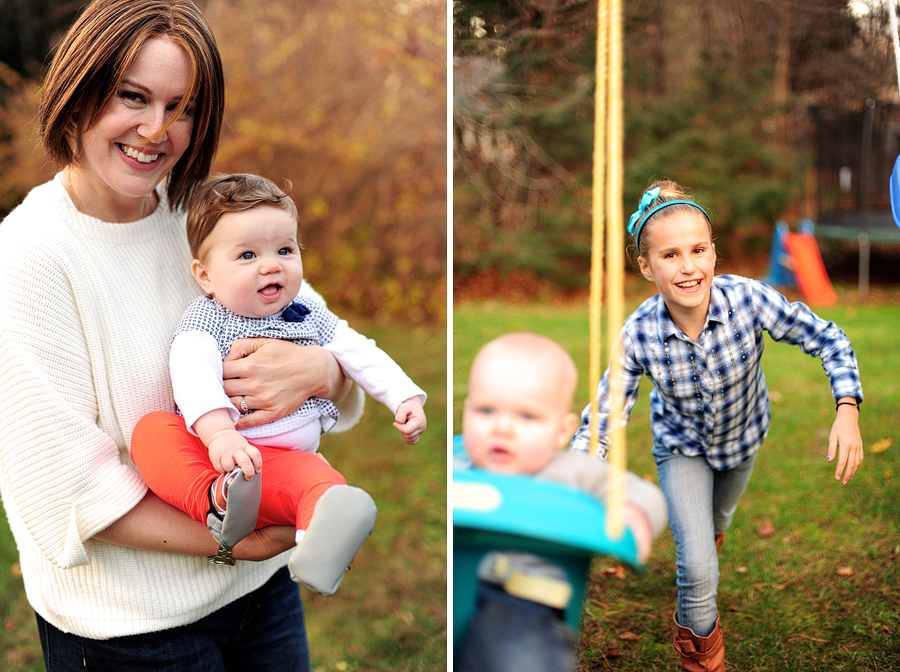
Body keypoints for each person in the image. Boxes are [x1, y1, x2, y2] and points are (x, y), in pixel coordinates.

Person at [0, 1, 368, 668]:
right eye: (132, 97)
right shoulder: (30, 255)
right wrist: (239, 542)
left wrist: (327, 375)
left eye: (183, 107)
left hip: (262, 596)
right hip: (131, 629)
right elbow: (65, 492)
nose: (156, 129)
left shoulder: (202, 215)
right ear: (79, 92)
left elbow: (326, 340)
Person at [570, 180, 864, 671]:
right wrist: (575, 477)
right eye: (670, 256)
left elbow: (828, 338)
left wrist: (848, 407)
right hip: (680, 448)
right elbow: (604, 416)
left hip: (743, 440)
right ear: (646, 266)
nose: (688, 267)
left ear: (713, 253)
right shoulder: (639, 332)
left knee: (717, 523)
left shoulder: (748, 300)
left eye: (698, 250)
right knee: (699, 568)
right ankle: (701, 656)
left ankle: (708, 534)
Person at [130, 173, 427, 596]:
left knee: (322, 487)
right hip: (222, 455)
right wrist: (219, 436)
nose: (272, 265)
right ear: (206, 275)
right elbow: (193, 376)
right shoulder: (207, 320)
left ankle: (317, 547)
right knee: (154, 433)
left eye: (285, 250)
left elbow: (358, 351)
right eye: (248, 255)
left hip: (286, 460)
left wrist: (403, 395)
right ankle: (216, 500)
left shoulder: (305, 311)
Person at [455, 333, 667, 672]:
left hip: (525, 605)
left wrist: (632, 514)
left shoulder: (573, 471)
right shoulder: (460, 462)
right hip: (457, 590)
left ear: (561, 431)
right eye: (486, 410)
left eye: (526, 417)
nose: (501, 428)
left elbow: (639, 493)